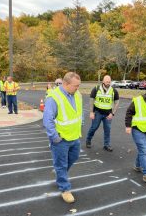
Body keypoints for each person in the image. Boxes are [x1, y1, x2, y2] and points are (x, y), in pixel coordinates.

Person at [43, 72, 82, 203]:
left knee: (74, 157)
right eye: (75, 86)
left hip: (74, 136)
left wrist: (80, 124)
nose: (78, 88)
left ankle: (60, 174)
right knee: (61, 164)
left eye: (79, 85)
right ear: (65, 84)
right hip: (61, 139)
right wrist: (54, 137)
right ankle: (65, 189)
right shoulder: (54, 97)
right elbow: (47, 120)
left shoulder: (77, 95)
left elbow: (78, 113)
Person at [86, 75, 119, 152]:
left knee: (107, 129)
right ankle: (88, 140)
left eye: (109, 81)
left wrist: (112, 113)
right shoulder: (96, 89)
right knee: (94, 127)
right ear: (103, 81)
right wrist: (91, 112)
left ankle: (106, 145)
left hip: (108, 114)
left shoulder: (114, 91)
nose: (108, 83)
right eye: (107, 81)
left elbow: (117, 103)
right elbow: (91, 100)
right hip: (97, 112)